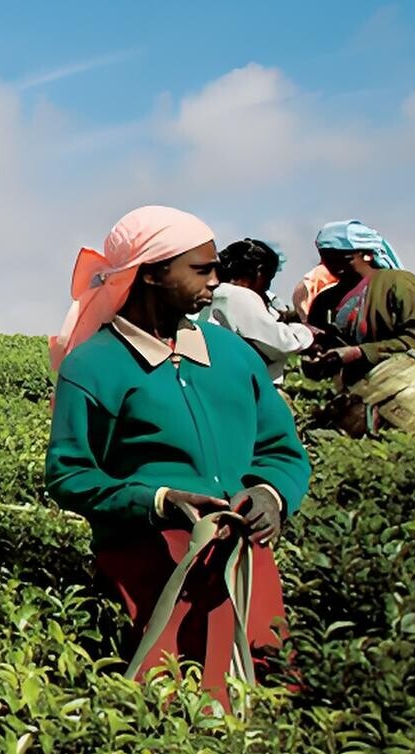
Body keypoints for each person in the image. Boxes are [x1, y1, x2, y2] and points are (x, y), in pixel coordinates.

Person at [46, 206, 311, 702]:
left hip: (244, 556)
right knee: (168, 695)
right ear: (151, 274)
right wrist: (160, 499)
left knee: (269, 685)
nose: (216, 280)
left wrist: (271, 494)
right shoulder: (94, 366)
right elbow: (70, 473)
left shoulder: (233, 355)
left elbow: (280, 448)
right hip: (150, 559)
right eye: (201, 269)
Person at [301, 220, 415, 384]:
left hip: (404, 387)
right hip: (350, 396)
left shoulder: (401, 285)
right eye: (328, 260)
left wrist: (360, 353)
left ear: (367, 255)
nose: (336, 266)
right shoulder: (324, 300)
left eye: (345, 259)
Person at [201, 238, 315, 387]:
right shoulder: (237, 295)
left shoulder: (216, 293)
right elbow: (282, 343)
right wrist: (305, 332)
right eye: (269, 278)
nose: (267, 286)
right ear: (259, 272)